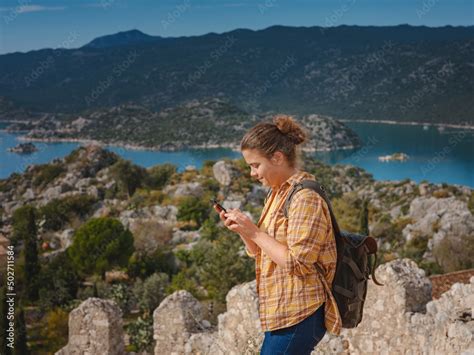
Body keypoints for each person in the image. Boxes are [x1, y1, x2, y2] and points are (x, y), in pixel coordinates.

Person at [215, 115, 342, 354]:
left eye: (255, 165)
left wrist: (253, 230)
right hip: (281, 311)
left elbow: (298, 262)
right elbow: (260, 252)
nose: (252, 173)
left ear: (277, 157)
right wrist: (243, 230)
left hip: (301, 312)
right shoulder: (276, 194)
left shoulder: (305, 198)